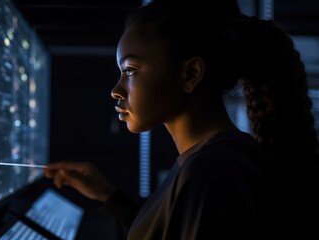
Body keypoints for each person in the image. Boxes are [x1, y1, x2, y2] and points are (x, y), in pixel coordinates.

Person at [43, 0, 319, 239]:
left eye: (130, 70)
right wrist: (109, 197)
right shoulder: (213, 162)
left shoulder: (212, 172)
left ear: (190, 74)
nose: (116, 90)